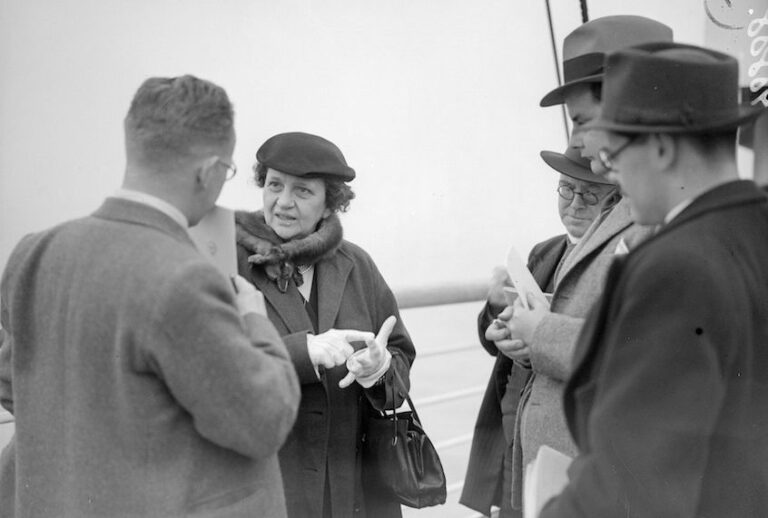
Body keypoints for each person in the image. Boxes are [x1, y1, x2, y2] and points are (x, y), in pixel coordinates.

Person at [0, 75, 301, 517]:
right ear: (207, 171)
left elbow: (14, 383)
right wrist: (254, 319)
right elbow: (264, 421)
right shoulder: (184, 278)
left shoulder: (33, 252)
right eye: (228, 170)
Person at [540, 42, 768, 518]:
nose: (610, 171)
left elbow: (631, 466)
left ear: (661, 147)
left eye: (617, 153)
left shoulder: (673, 265)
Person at [497, 15, 674, 514]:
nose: (576, 146)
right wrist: (529, 335)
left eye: (582, 121)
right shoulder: (631, 212)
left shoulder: (660, 219)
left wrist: (540, 330)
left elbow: (639, 357)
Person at [235, 131, 416, 518]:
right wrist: (301, 353)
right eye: (274, 185)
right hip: (267, 493)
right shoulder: (227, 264)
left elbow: (399, 360)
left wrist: (380, 369)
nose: (283, 203)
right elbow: (206, 368)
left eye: (302, 191)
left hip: (355, 496)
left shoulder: (357, 265)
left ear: (330, 203)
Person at [460, 147, 617, 518]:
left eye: (590, 193)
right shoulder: (544, 251)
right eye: (566, 189)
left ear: (616, 200)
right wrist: (499, 315)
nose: (575, 204)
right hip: (513, 430)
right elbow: (490, 339)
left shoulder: (618, 259)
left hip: (567, 438)